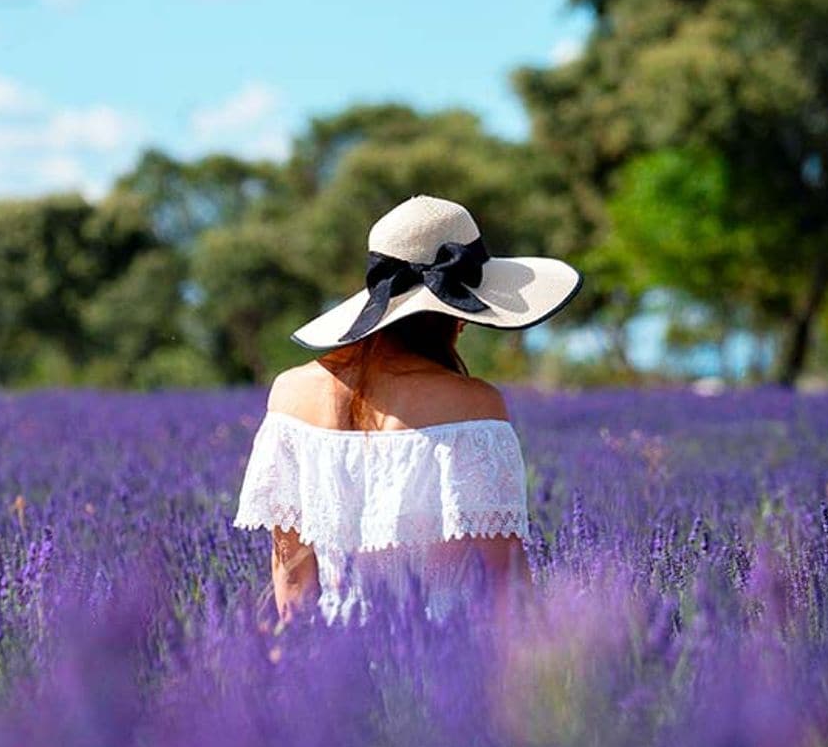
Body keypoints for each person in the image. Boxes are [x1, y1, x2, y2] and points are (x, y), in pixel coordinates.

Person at [231, 195, 582, 626]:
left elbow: (292, 578)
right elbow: (507, 585)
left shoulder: (290, 394)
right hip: (449, 664)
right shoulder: (475, 405)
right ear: (457, 314)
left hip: (332, 667)